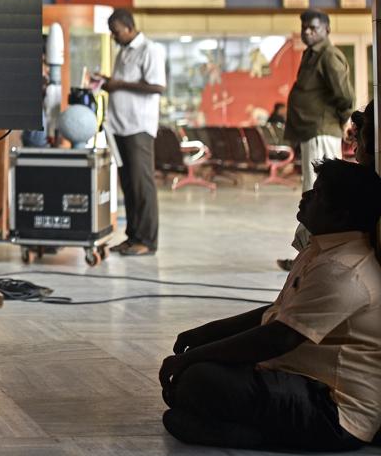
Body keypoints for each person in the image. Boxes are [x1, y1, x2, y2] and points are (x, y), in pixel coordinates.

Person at [159, 159, 381, 452]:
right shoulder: (321, 250)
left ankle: (256, 436)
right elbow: (276, 312)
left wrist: (190, 359)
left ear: (341, 215)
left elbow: (278, 338)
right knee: (197, 378)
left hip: (335, 410)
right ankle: (232, 424)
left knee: (199, 380)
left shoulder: (343, 269)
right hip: (302, 381)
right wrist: (205, 334)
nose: (306, 196)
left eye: (318, 194)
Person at [279, 9, 355, 269]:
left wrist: (345, 120)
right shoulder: (310, 55)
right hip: (311, 133)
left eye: (313, 27)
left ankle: (314, 255)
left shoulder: (328, 55)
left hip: (322, 131)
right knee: (311, 193)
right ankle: (308, 252)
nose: (307, 32)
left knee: (319, 193)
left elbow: (344, 96)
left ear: (326, 30)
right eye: (304, 28)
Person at [91, 8, 166, 257]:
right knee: (129, 185)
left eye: (116, 32)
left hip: (138, 128)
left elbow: (157, 86)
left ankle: (147, 240)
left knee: (142, 185)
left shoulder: (150, 50)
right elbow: (123, 84)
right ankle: (133, 236)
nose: (114, 37)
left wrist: (118, 84)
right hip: (119, 127)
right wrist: (108, 82)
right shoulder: (123, 53)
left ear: (129, 27)